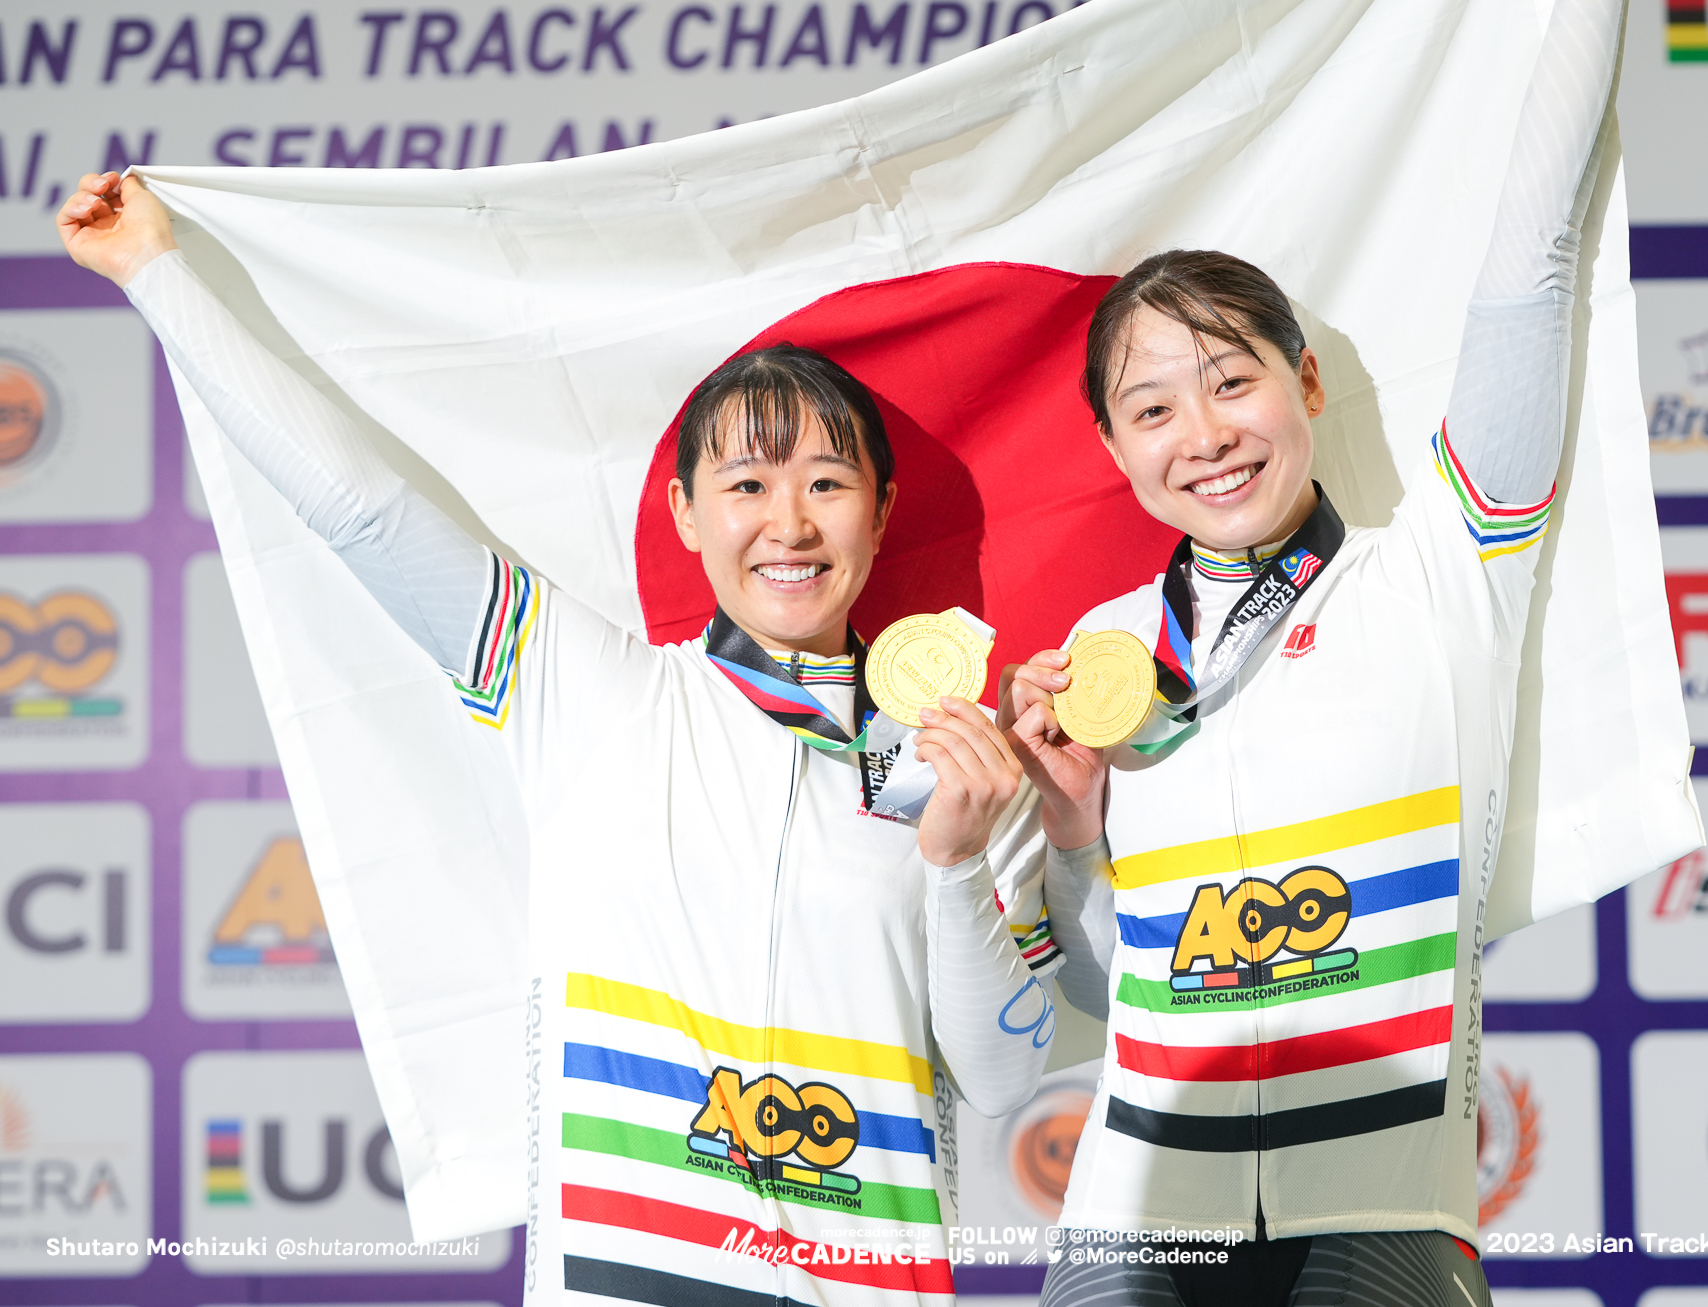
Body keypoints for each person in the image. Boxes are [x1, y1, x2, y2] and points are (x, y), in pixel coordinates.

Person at [60, 172, 1062, 1306]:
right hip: (633, 1275)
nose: (788, 521)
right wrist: (156, 273)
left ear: (879, 514)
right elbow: (362, 508)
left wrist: (954, 862)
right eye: (746, 482)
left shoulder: (962, 770)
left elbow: (999, 1073)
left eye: (827, 481)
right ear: (684, 512)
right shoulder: (588, 690)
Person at [996, 0, 1624, 1303]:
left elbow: (1537, 254)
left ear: (1308, 385)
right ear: (1116, 452)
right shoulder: (1106, 651)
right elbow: (1104, 979)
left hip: (1382, 1197)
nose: (1206, 431)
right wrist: (1068, 827)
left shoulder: (1451, 565)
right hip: (1134, 1219)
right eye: (1154, 407)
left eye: (1234, 380)